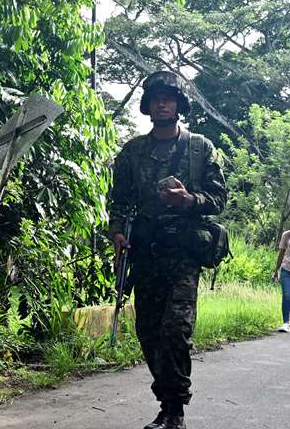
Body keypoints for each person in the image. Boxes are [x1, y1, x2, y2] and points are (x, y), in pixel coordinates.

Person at [108, 71, 227, 429]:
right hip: (145, 254)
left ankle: (175, 410)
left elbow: (219, 199)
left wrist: (189, 200)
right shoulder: (132, 152)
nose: (162, 103)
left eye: (169, 98)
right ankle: (166, 401)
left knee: (176, 330)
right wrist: (117, 233)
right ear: (148, 105)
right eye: (156, 98)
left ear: (179, 105)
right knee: (148, 332)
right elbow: (119, 201)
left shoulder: (199, 148)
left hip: (183, 255)